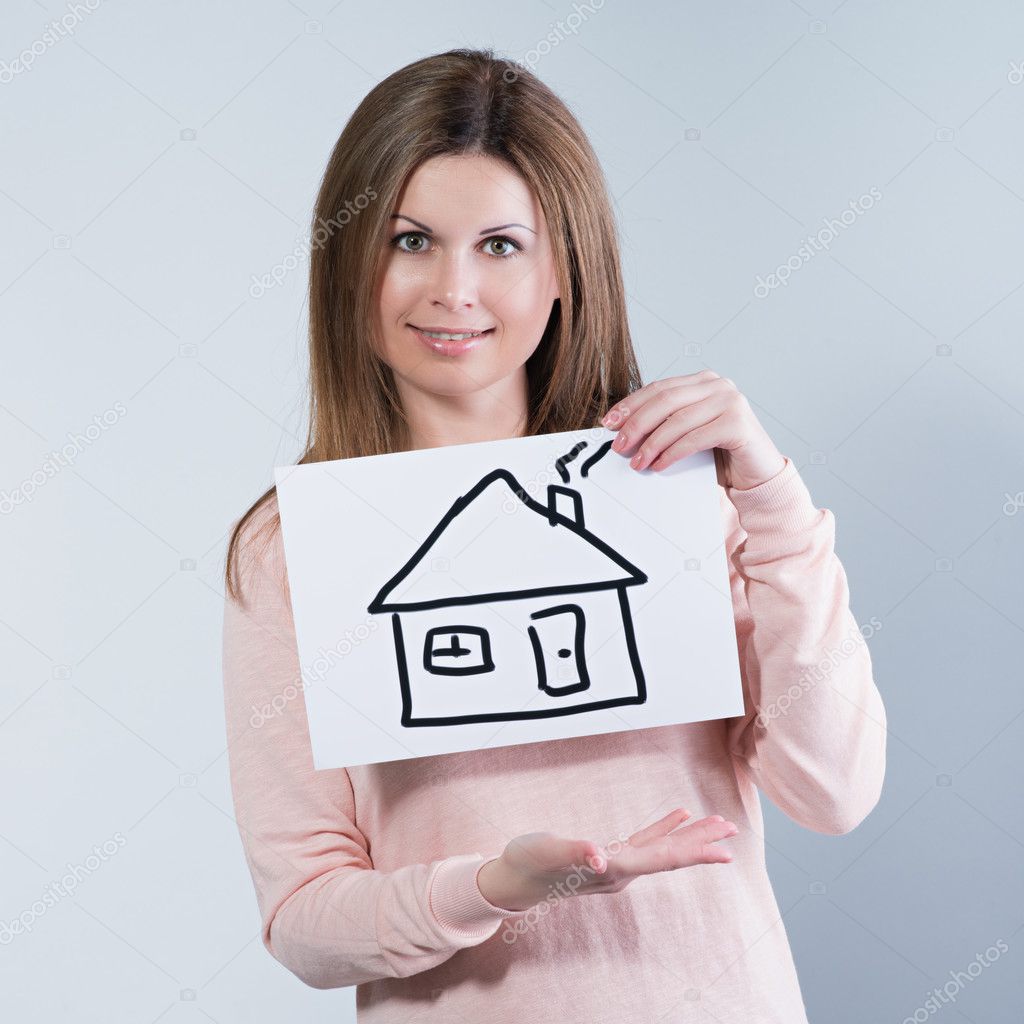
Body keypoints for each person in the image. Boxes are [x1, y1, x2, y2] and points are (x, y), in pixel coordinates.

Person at [221, 47, 887, 1023]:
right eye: (410, 240)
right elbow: (303, 916)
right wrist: (491, 885)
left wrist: (773, 505)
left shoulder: (675, 498)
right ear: (350, 259)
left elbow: (831, 791)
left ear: (564, 268)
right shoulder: (294, 548)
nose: (453, 288)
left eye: (500, 244)